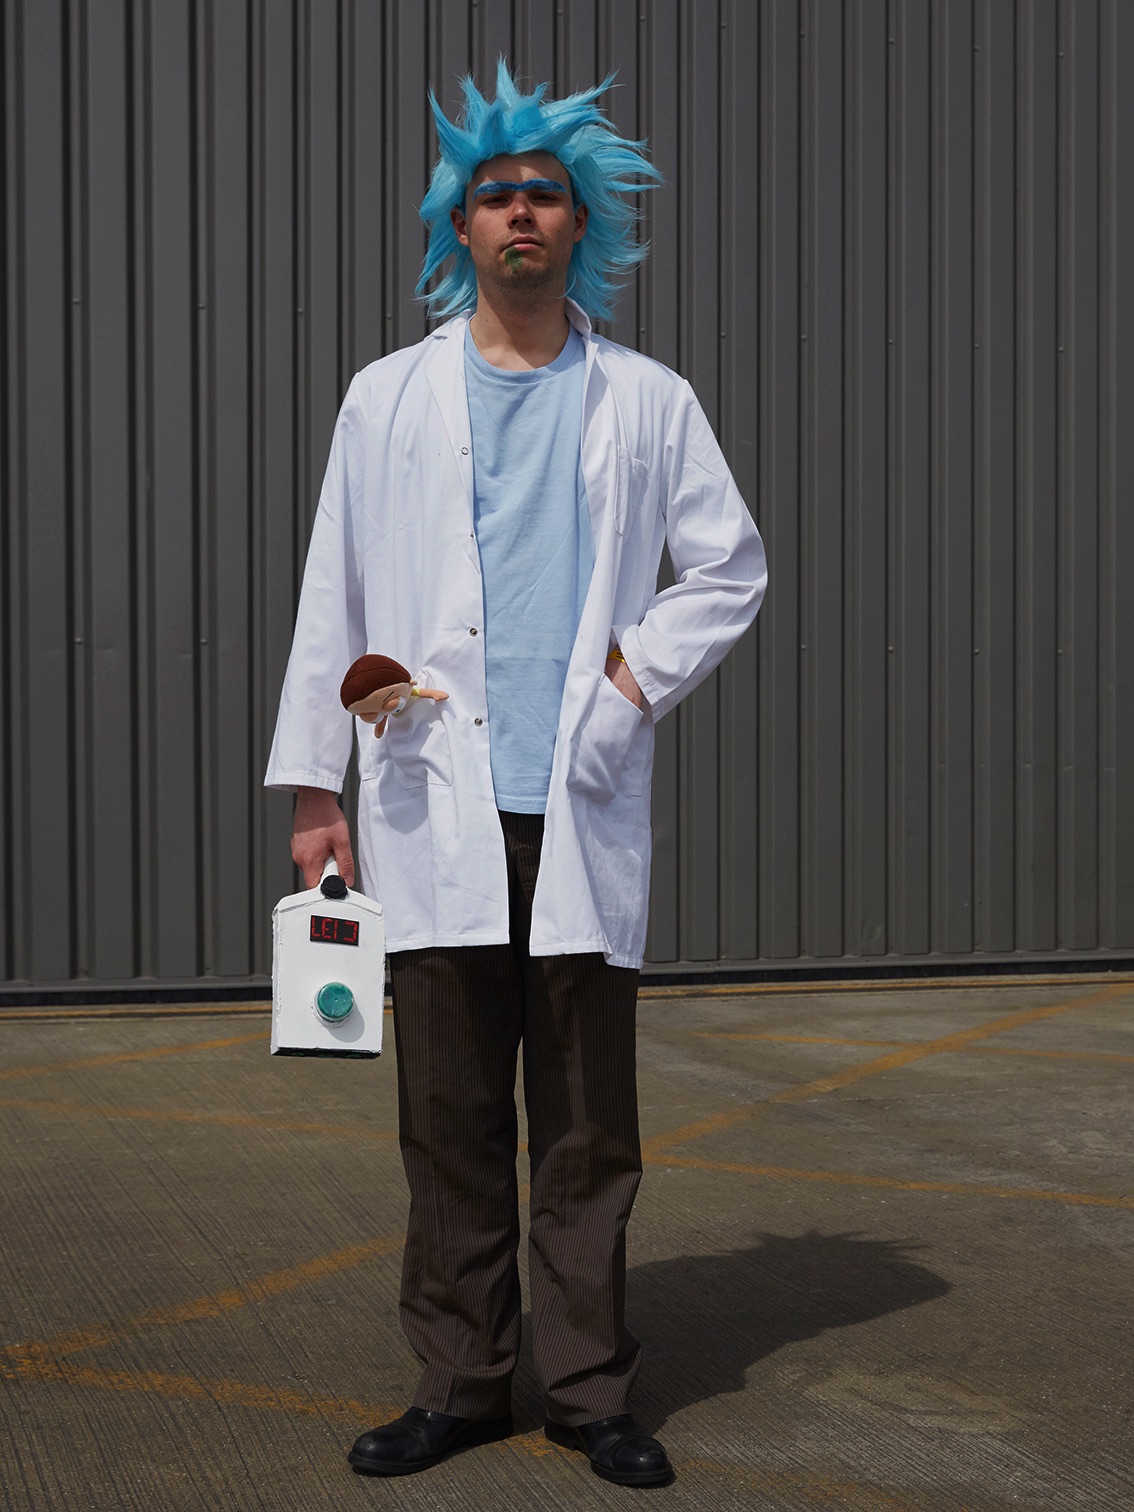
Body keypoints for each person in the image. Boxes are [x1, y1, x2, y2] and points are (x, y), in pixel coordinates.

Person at [265, 60, 767, 1487]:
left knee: (588, 1127)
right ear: (462, 224)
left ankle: (590, 1390)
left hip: (577, 802)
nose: (522, 213)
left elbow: (730, 566)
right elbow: (333, 593)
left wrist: (630, 681)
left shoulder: (647, 400)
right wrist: (315, 790)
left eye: (546, 191)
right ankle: (462, 1382)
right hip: (431, 802)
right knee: (450, 1120)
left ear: (582, 221)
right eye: (496, 195)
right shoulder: (388, 399)